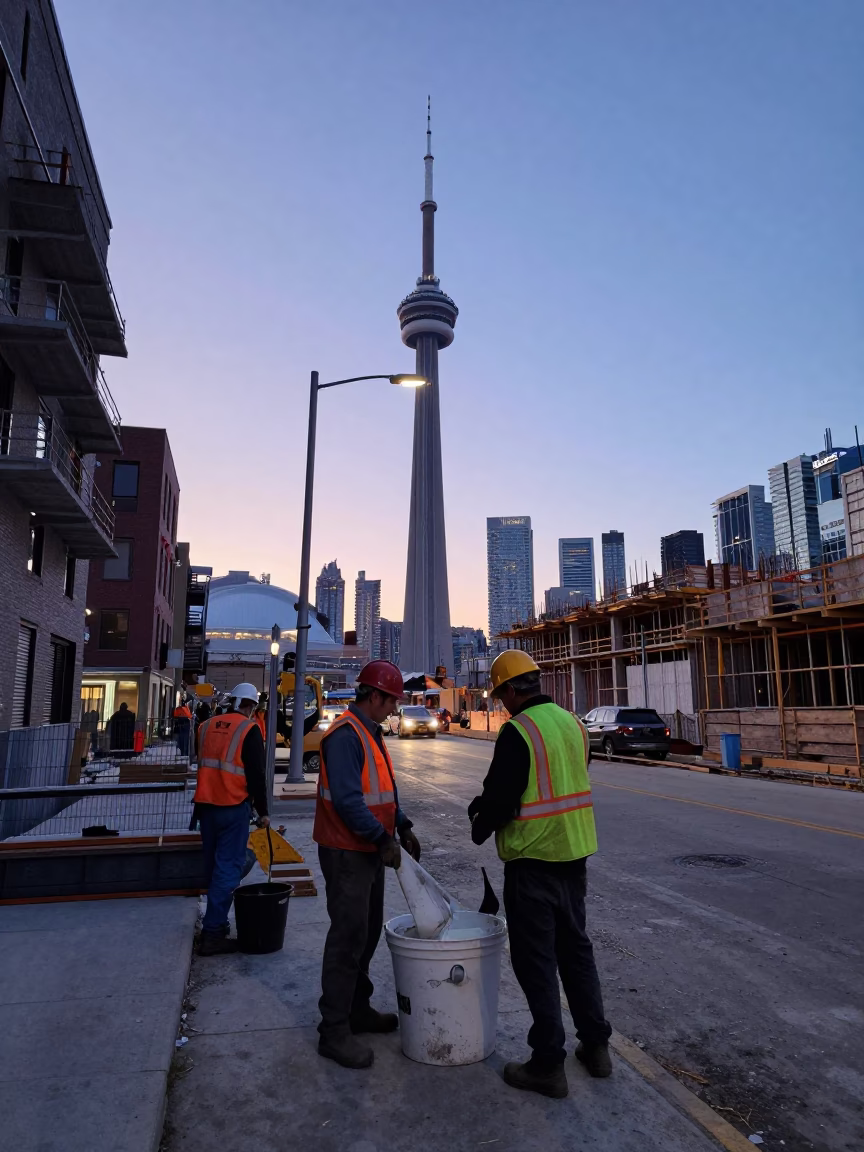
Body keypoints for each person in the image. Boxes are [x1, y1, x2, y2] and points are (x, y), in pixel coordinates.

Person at [468, 650, 611, 1099]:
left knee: (536, 963)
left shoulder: (518, 731)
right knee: (576, 953)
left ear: (511, 690)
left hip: (533, 862)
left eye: (500, 695)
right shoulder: (573, 723)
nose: (501, 704)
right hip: (574, 856)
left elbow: (502, 796)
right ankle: (596, 1046)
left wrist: (479, 822)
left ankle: (548, 1063)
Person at [313, 659, 421, 1070]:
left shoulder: (370, 731)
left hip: (368, 851)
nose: (395, 709)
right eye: (391, 701)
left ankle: (357, 1008)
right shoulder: (345, 735)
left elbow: (381, 793)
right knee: (347, 936)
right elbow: (348, 800)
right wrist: (381, 839)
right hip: (347, 852)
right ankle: (334, 1030)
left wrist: (403, 825)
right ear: (373, 696)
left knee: (367, 931)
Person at [192, 682, 270, 956]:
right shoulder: (248, 730)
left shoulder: (204, 727)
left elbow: (202, 762)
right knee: (228, 867)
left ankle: (217, 923)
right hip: (232, 807)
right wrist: (263, 812)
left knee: (215, 865)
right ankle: (213, 933)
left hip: (206, 807)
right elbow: (256, 775)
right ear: (249, 706)